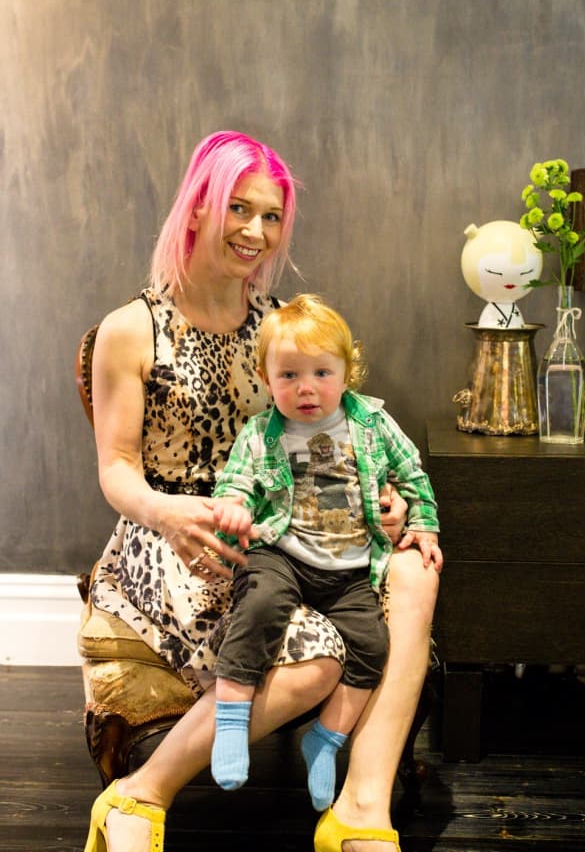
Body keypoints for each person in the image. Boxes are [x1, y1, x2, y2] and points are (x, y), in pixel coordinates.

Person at [83, 130, 440, 852]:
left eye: (271, 215)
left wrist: (392, 500)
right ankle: (138, 795)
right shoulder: (132, 329)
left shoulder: (277, 328)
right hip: (176, 537)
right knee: (316, 662)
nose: (256, 230)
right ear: (196, 209)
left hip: (288, 527)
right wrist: (166, 510)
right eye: (237, 208)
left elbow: (344, 432)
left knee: (416, 565)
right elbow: (116, 467)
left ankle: (362, 807)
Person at [209, 295, 442, 810]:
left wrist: (424, 525)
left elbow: (412, 473)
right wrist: (232, 509)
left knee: (372, 647)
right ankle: (230, 719)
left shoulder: (372, 424)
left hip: (350, 566)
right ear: (267, 380)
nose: (306, 387)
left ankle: (327, 739)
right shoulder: (261, 432)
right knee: (260, 603)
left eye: (321, 372)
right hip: (283, 553)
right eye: (288, 375)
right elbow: (236, 483)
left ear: (346, 372)